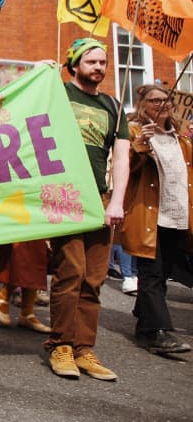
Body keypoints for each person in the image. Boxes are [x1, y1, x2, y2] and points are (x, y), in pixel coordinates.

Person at [46, 38, 128, 381]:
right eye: (91, 61)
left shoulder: (113, 104)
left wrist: (117, 200)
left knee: (94, 279)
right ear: (74, 64)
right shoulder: (58, 92)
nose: (99, 68)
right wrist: (41, 71)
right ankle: (60, 345)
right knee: (71, 272)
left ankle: (84, 348)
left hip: (99, 197)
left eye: (103, 62)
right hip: (64, 195)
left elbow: (122, 156)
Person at [120, 84, 193, 356]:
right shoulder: (136, 132)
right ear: (143, 105)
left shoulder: (181, 140)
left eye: (166, 100)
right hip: (149, 214)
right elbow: (125, 170)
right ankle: (159, 333)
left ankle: (145, 321)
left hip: (178, 216)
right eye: (154, 100)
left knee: (162, 274)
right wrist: (141, 146)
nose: (162, 104)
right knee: (150, 273)